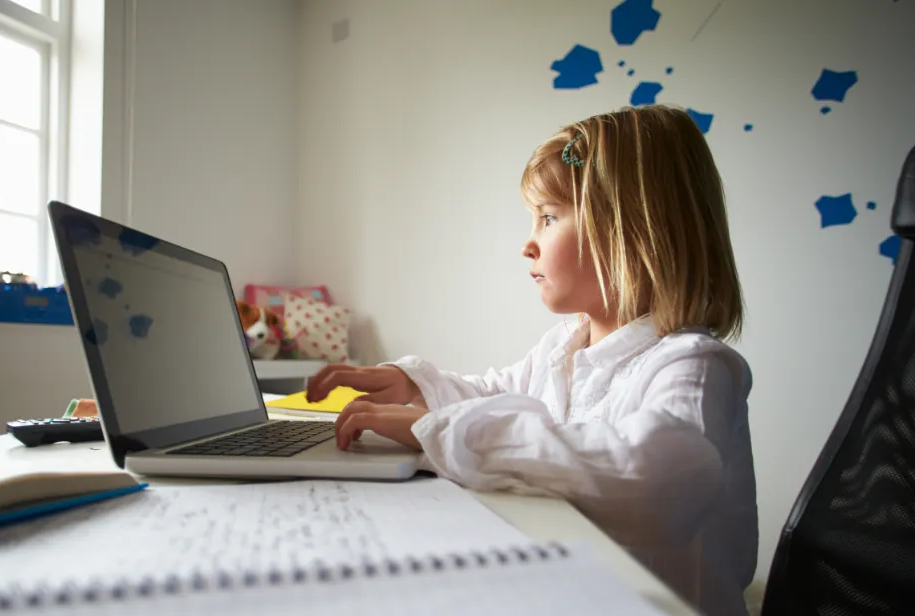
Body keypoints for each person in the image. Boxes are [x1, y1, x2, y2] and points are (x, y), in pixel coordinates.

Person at [305, 104, 757, 616]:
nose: (527, 244)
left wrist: (441, 428)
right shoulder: (563, 347)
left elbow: (658, 480)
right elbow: (494, 391)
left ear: (629, 230)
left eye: (547, 217)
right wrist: (413, 385)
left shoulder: (692, 366)